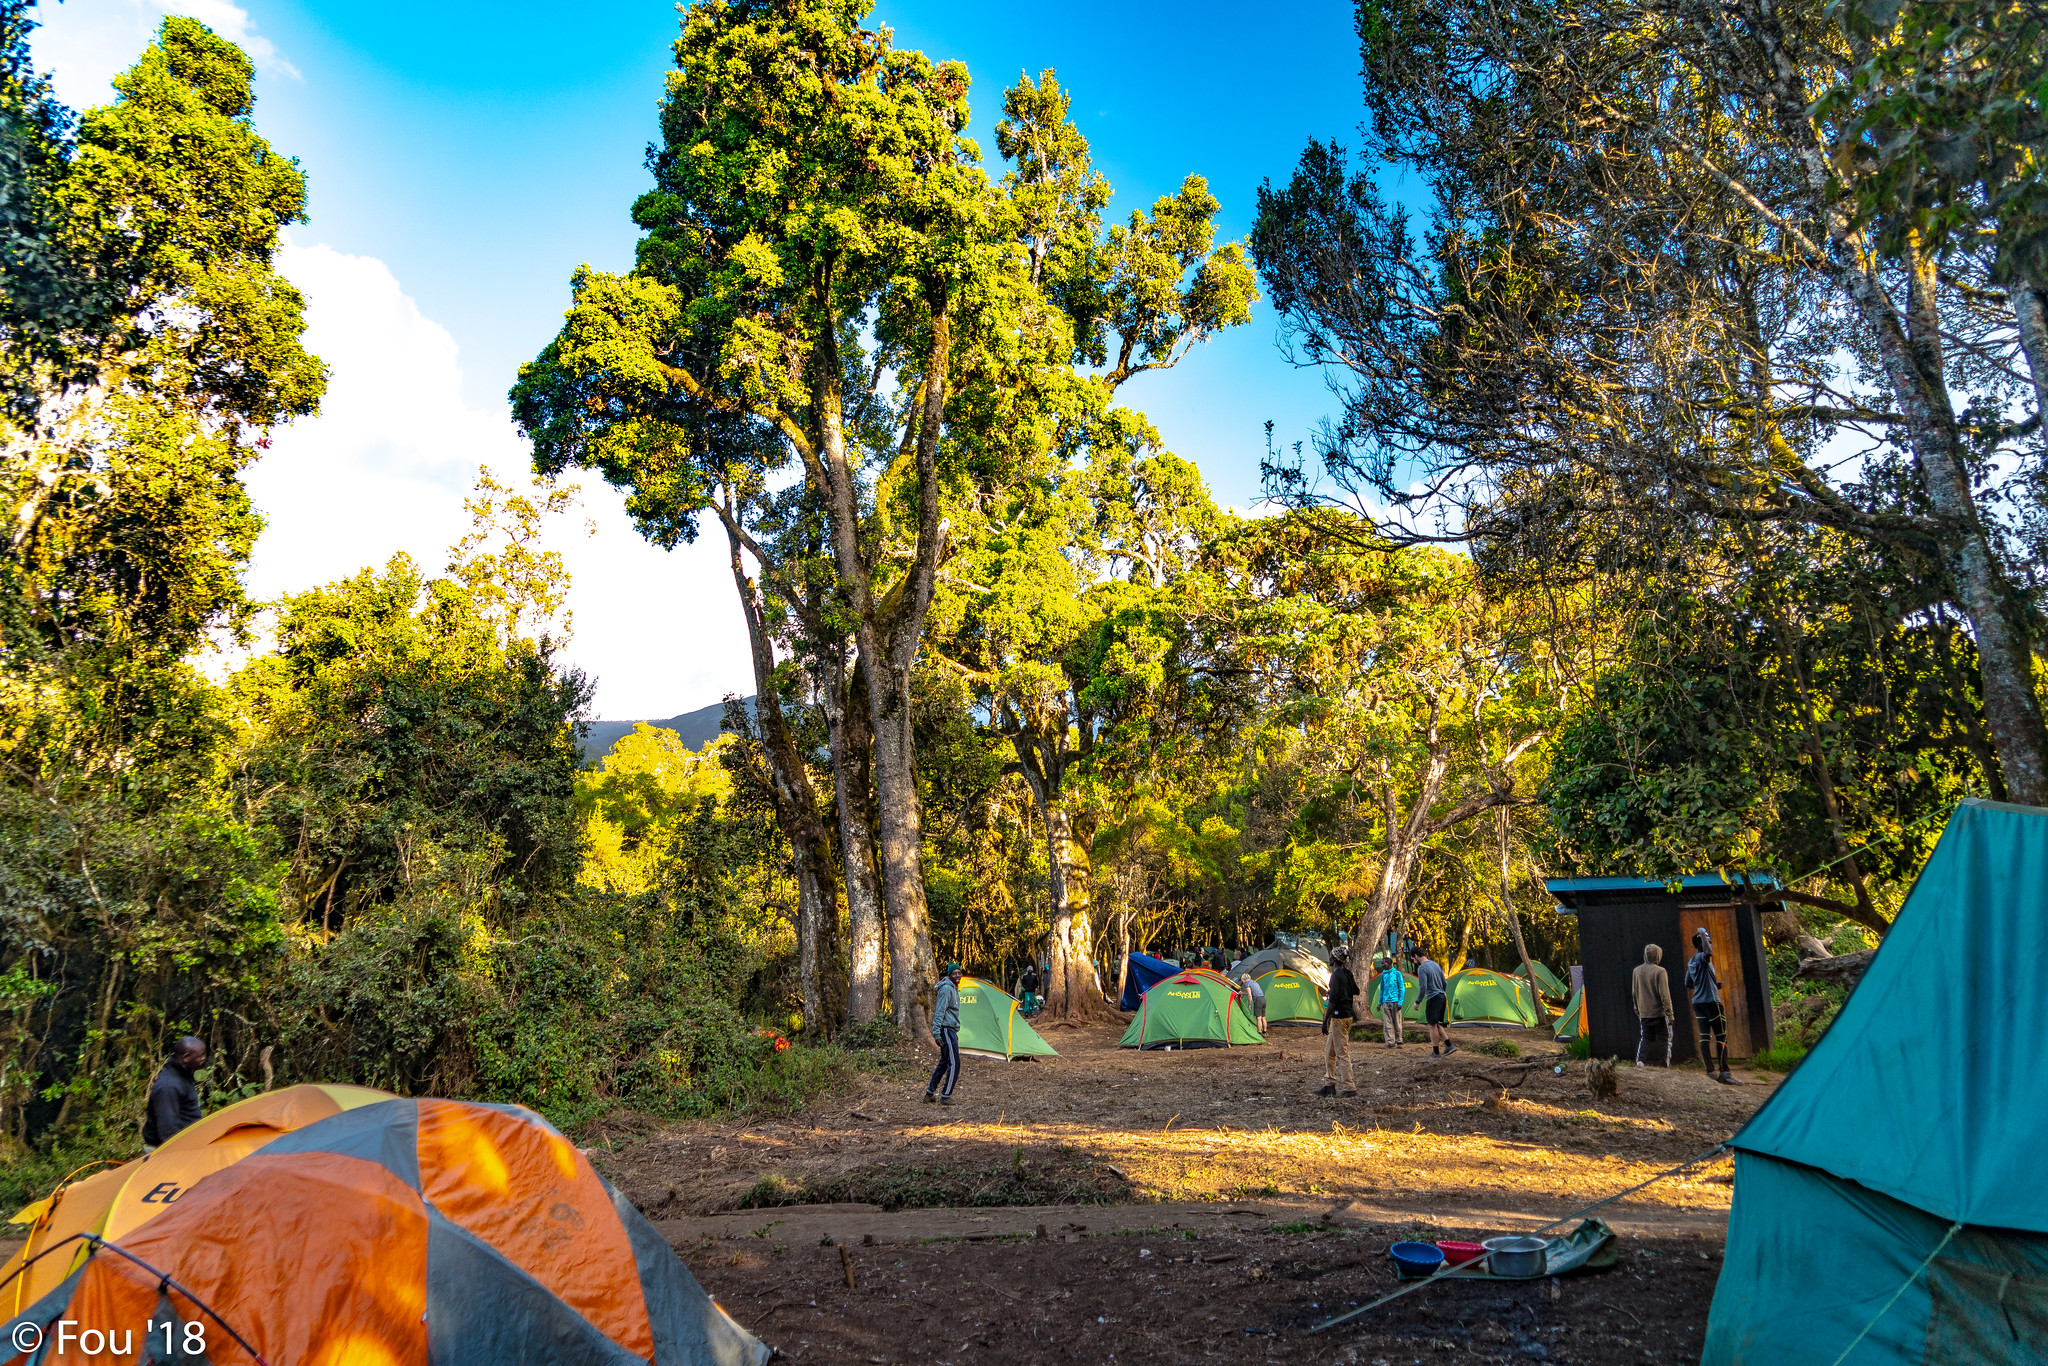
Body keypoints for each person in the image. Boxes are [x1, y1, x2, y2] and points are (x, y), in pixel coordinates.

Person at [1685, 929, 1735, 1084]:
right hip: (1712, 1002)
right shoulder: (1703, 957)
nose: (1710, 943)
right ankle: (1725, 1073)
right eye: (1708, 941)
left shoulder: (1691, 961)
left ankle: (1710, 1072)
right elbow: (1708, 953)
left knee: (1704, 1037)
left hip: (1698, 1003)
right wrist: (1702, 932)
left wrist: (1711, 984)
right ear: (1701, 943)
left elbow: (1688, 983)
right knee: (1721, 1037)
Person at [143, 1036, 206, 1151]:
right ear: (186, 1058)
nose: (203, 1058)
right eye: (200, 1056)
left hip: (187, 1145)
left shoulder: (182, 1074)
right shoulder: (168, 1086)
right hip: (167, 1151)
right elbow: (168, 1131)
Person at [1319, 946, 1360, 1097]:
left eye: (1330, 957)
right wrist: (1339, 990)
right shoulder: (1347, 973)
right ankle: (1329, 1084)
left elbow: (1333, 1001)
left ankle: (1350, 1087)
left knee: (1342, 1053)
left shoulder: (1336, 975)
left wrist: (1325, 1020)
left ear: (1334, 959)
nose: (1329, 959)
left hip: (1339, 1017)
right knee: (1329, 1052)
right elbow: (1356, 991)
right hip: (1347, 1015)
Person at [924, 963, 964, 1106]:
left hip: (950, 1030)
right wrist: (936, 1033)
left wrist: (954, 1031)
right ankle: (945, 1096)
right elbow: (940, 1011)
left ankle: (929, 1094)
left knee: (944, 1062)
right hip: (945, 1030)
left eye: (959, 973)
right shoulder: (946, 989)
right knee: (954, 1063)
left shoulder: (953, 988)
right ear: (949, 975)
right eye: (954, 973)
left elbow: (950, 1012)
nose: (957, 975)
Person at [1632, 943, 1674, 1068]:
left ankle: (1640, 1061)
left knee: (1646, 1037)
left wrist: (1637, 1009)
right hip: (1659, 1013)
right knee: (1664, 1038)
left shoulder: (1636, 971)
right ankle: (1664, 1064)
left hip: (1644, 1012)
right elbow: (1665, 994)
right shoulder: (1660, 971)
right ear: (1658, 955)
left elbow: (1634, 992)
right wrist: (1669, 1013)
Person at [1409, 946, 1454, 1055]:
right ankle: (1449, 1045)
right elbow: (1445, 982)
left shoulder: (1422, 968)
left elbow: (1423, 987)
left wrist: (1417, 1001)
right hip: (1442, 996)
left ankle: (1436, 1052)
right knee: (1435, 1023)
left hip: (1433, 998)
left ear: (1416, 956)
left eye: (1413, 959)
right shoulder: (1435, 964)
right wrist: (1441, 991)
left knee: (1431, 1025)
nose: (1414, 962)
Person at [1373, 955, 1407, 1048]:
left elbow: (1402, 988)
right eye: (1382, 963)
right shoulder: (1383, 975)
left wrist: (1400, 1002)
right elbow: (1382, 989)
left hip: (1395, 1001)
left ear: (1389, 964)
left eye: (1384, 963)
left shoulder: (1397, 974)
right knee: (1387, 1023)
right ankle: (1390, 1042)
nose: (1382, 965)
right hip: (1385, 1001)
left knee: (1397, 1023)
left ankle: (1399, 1041)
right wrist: (1379, 1003)